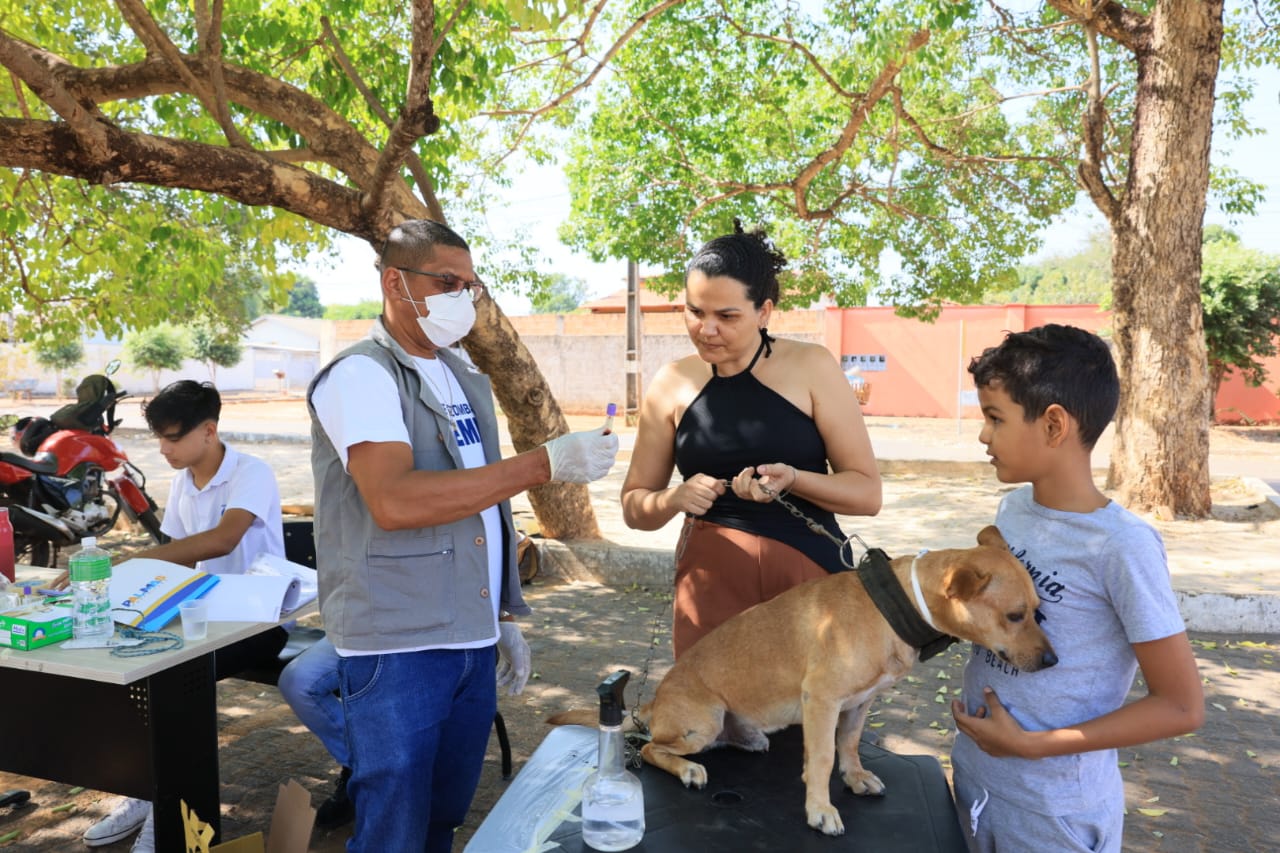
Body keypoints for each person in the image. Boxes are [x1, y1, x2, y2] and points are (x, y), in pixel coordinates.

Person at [307, 218, 618, 852]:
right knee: (394, 823)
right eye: (448, 282)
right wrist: (544, 463)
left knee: (442, 816)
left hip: (467, 639)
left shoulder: (457, 376)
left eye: (471, 286)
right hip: (396, 647)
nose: (464, 298)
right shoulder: (363, 376)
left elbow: (478, 505)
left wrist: (498, 612)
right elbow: (393, 501)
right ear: (396, 283)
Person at [950, 324, 1204, 852]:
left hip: (1053, 812)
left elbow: (1182, 706)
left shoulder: (1122, 546)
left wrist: (1034, 746)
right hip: (978, 780)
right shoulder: (1013, 511)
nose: (983, 436)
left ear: (1054, 425)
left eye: (995, 418)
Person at [620, 223, 882, 658]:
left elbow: (867, 494)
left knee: (806, 721)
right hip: (708, 583)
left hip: (807, 579)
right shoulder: (672, 383)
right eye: (695, 312)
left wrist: (793, 480)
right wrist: (674, 499)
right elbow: (634, 506)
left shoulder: (811, 367)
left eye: (726, 316)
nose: (706, 329)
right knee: (709, 719)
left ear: (764, 311)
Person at [75, 380, 287, 852]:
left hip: (259, 619)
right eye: (160, 439)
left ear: (209, 430)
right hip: (202, 615)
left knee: (171, 682)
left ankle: (168, 807)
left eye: (173, 438)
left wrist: (125, 563)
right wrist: (123, 593)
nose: (164, 449)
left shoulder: (251, 472)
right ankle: (146, 794)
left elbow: (221, 541)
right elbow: (177, 559)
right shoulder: (182, 480)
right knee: (128, 662)